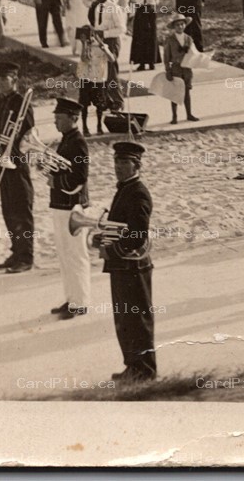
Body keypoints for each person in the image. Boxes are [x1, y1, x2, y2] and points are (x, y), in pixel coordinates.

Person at [101, 141, 156, 382]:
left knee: (137, 320)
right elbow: (121, 227)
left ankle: (144, 370)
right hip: (123, 265)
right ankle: (133, 366)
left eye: (124, 162)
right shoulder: (125, 188)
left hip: (133, 266)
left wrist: (111, 249)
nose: (118, 167)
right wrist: (102, 239)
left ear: (137, 165)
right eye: (116, 162)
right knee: (125, 319)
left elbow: (138, 234)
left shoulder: (137, 191)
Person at [47, 96, 91, 319]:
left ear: (73, 118)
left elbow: (80, 177)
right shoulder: (66, 139)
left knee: (75, 254)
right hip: (60, 204)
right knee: (65, 254)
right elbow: (62, 168)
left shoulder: (78, 142)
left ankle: (80, 302)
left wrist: (57, 181)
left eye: (59, 118)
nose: (55, 122)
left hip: (73, 206)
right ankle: (71, 298)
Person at [0, 62, 35, 273]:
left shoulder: (22, 103)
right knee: (8, 209)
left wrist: (13, 148)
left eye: (4, 79)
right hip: (4, 163)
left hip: (17, 163)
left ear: (14, 80)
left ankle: (26, 257)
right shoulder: (2, 103)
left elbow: (28, 137)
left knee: (21, 210)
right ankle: (16, 251)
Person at [161, 14, 200, 124]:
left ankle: (189, 114)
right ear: (174, 27)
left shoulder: (188, 38)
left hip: (187, 68)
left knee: (187, 91)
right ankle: (174, 116)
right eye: (177, 25)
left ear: (185, 25)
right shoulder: (170, 39)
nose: (180, 27)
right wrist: (168, 70)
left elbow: (194, 53)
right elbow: (166, 56)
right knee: (175, 92)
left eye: (182, 24)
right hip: (176, 68)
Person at [75, 26, 113, 135]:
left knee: (100, 105)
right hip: (86, 78)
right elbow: (84, 59)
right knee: (84, 104)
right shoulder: (85, 46)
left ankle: (99, 126)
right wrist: (84, 44)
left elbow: (112, 59)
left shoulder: (103, 47)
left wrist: (103, 47)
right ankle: (85, 127)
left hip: (99, 78)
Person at [129, 0, 161, 71]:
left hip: (150, 11)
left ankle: (151, 61)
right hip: (140, 11)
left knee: (151, 36)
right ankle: (141, 62)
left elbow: (157, 1)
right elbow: (137, 0)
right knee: (140, 36)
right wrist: (136, 2)